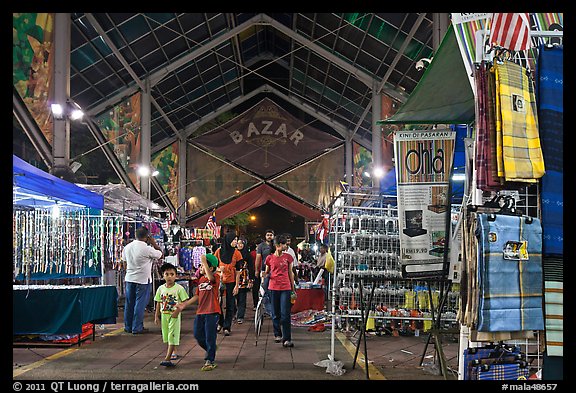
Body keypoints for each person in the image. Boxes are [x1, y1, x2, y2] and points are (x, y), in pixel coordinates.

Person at [173, 253, 221, 371]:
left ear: (211, 268)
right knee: (198, 335)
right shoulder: (201, 280)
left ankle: (210, 359)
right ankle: (211, 349)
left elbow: (211, 279)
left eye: (202, 266)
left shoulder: (216, 277)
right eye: (200, 266)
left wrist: (204, 260)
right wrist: (184, 305)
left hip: (212, 311)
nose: (200, 268)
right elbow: (197, 296)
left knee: (210, 336)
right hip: (200, 312)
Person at [123, 226, 163, 335]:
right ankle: (137, 327)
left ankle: (128, 326)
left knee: (129, 303)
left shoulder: (127, 247)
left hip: (130, 278)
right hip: (143, 280)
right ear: (147, 237)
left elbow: (124, 262)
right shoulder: (147, 248)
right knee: (140, 303)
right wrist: (154, 243)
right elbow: (160, 254)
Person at [154, 263, 189, 367]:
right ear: (162, 275)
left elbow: (185, 301)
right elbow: (158, 302)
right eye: (166, 274)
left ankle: (167, 358)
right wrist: (156, 316)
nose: (169, 276)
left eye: (172, 274)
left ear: (176, 276)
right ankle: (174, 351)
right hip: (164, 315)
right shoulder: (160, 288)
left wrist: (177, 311)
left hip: (174, 316)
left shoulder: (179, 289)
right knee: (167, 335)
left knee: (171, 335)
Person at [264, 234, 296, 348]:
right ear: (277, 245)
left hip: (285, 288)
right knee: (275, 313)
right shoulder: (269, 258)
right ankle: (277, 334)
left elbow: (290, 273)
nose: (285, 246)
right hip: (273, 288)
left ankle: (287, 339)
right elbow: (266, 272)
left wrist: (293, 288)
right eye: (283, 244)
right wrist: (265, 276)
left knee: (285, 314)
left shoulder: (288, 257)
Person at [214, 231, 242, 336]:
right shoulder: (218, 251)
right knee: (218, 303)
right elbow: (213, 265)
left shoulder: (237, 253)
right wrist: (219, 269)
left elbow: (239, 270)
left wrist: (236, 285)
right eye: (234, 240)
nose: (235, 242)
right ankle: (220, 322)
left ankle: (227, 326)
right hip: (219, 280)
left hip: (231, 281)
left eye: (236, 240)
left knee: (230, 304)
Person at [234, 237, 254, 324]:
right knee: (235, 296)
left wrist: (251, 280)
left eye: (241, 243)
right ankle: (235, 313)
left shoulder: (247, 255)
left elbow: (251, 267)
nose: (239, 245)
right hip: (234, 277)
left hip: (244, 277)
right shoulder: (233, 253)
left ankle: (240, 316)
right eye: (238, 243)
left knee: (242, 297)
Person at [255, 229, 275, 316]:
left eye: (271, 235)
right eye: (268, 235)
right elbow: (258, 259)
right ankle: (268, 310)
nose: (269, 236)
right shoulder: (261, 246)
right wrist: (256, 270)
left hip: (275, 271)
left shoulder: (276, 245)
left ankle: (273, 309)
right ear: (265, 236)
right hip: (264, 271)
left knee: (273, 290)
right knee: (265, 290)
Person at [250, 237, 261, 310]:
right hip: (255, 272)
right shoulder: (252, 253)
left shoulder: (264, 252)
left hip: (263, 272)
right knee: (255, 289)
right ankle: (255, 304)